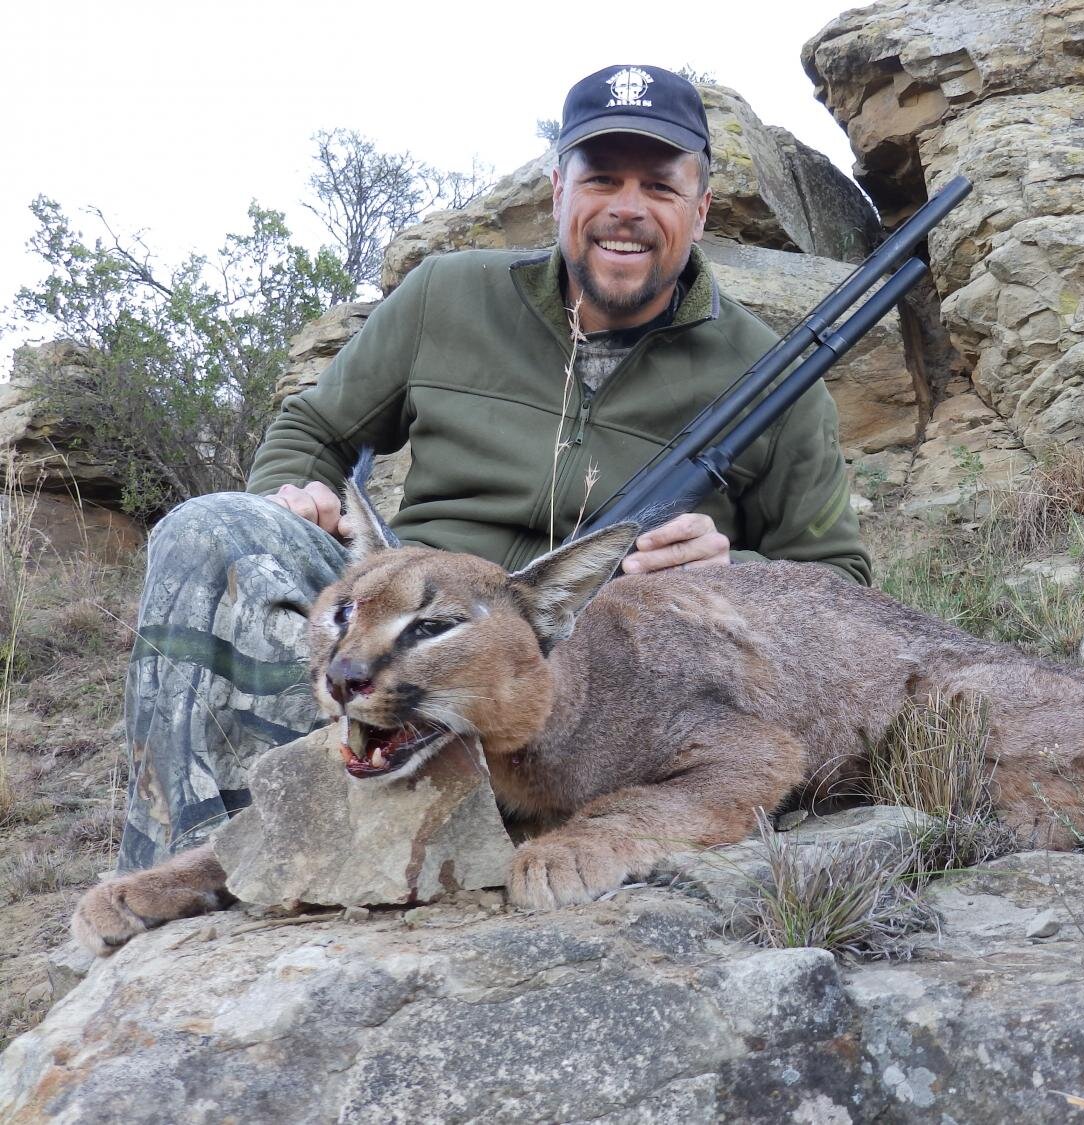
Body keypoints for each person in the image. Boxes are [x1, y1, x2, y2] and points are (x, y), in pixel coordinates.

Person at [115, 64, 871, 872]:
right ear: (557, 190)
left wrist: (731, 569)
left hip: (601, 691)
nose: (626, 208)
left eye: (658, 185)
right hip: (401, 631)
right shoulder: (447, 294)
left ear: (701, 208)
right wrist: (292, 493)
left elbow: (839, 583)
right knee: (210, 531)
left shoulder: (773, 370)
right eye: (601, 178)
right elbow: (314, 426)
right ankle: (184, 880)